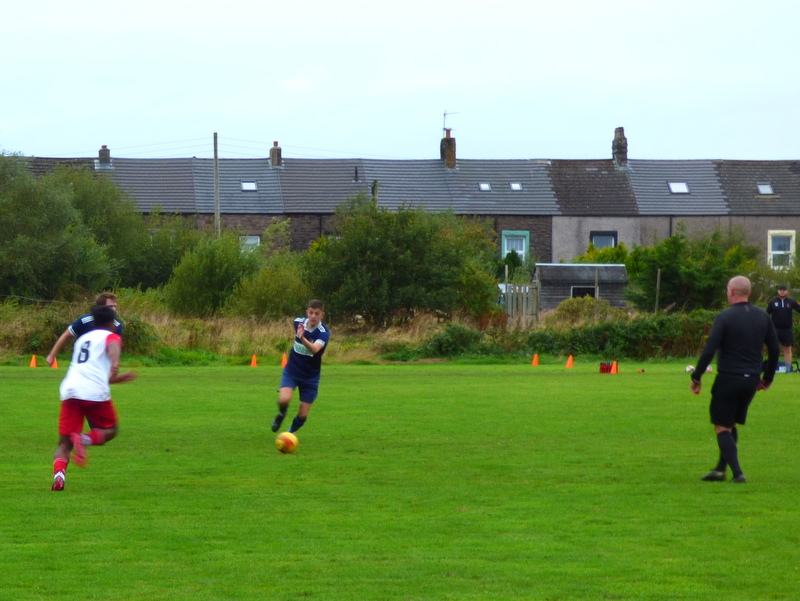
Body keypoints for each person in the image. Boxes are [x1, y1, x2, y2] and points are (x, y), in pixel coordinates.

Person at [690, 275, 779, 484]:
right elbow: (775, 349)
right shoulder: (763, 316)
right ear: (749, 292)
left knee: (721, 426)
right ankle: (720, 470)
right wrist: (767, 378)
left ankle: (738, 473)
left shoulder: (725, 317)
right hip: (751, 379)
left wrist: (697, 376)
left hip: (729, 378)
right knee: (731, 424)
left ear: (730, 292)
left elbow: (710, 349)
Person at [51, 305, 137, 491]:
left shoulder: (82, 339)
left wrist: (118, 378)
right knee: (111, 430)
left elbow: (93, 373)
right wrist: (116, 363)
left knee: (64, 443)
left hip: (70, 391)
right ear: (112, 323)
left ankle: (59, 476)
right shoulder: (111, 336)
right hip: (94, 394)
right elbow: (112, 346)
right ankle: (83, 439)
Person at [271, 300, 330, 436]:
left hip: (310, 376)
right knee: (283, 399)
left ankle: (289, 433)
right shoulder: (298, 322)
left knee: (303, 414)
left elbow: (314, 349)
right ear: (306, 312)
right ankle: (282, 413)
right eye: (311, 312)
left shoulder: (323, 333)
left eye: (317, 313)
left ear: (322, 315)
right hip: (292, 371)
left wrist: (302, 338)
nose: (313, 316)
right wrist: (301, 336)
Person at [46, 292, 123, 367]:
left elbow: (114, 347)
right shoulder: (85, 321)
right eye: (110, 307)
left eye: (115, 306)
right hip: (81, 363)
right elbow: (66, 335)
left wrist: (114, 363)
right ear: (100, 307)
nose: (113, 309)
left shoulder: (116, 325)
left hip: (100, 365)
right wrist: (52, 355)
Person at [766, 284, 800, 371]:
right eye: (780, 290)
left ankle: (788, 370)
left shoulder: (791, 302)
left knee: (787, 349)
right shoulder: (773, 302)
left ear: (786, 291)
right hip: (775, 329)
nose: (782, 292)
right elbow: (766, 314)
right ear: (778, 291)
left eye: (784, 290)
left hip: (787, 329)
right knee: (774, 349)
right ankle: (772, 369)